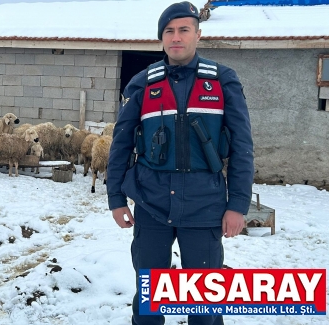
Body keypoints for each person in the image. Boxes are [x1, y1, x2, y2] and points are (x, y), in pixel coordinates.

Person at [106, 2, 254, 325]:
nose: (176, 37)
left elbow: (243, 147)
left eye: (184, 29)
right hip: (152, 205)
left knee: (204, 307)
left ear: (198, 35)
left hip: (205, 208)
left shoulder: (222, 81)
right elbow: (120, 144)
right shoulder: (143, 83)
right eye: (169, 31)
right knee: (149, 303)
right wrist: (116, 199)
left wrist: (238, 205)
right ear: (161, 39)